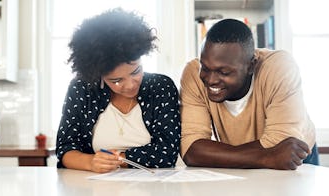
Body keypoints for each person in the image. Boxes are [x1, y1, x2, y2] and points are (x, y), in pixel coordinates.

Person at [180, 18, 318, 170]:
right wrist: (267, 157)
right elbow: (191, 149)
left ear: (251, 65)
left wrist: (215, 154)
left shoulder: (279, 67)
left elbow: (282, 146)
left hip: (296, 159)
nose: (211, 80)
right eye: (205, 68)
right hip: (248, 160)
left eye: (223, 72)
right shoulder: (192, 73)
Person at [55, 8, 181, 173]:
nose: (130, 85)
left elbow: (167, 153)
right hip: (93, 186)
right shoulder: (82, 89)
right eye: (116, 80)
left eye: (136, 71)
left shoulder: (161, 87)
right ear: (97, 74)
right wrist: (90, 162)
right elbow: (65, 148)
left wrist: (119, 159)